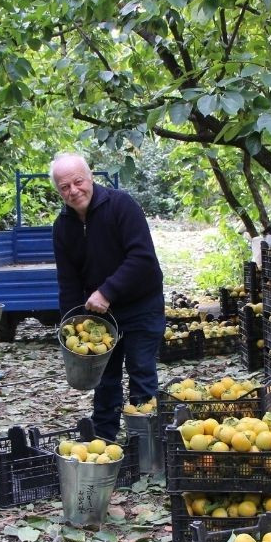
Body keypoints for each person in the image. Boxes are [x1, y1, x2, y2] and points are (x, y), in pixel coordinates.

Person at [50, 152, 165, 440]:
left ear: (90, 177)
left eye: (78, 181)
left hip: (141, 305)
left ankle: (145, 446)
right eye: (65, 187)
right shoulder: (62, 227)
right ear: (59, 191)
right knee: (104, 380)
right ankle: (104, 443)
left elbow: (142, 259)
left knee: (141, 374)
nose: (73, 191)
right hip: (101, 316)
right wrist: (70, 325)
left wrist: (106, 291)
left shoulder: (121, 206)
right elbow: (68, 281)